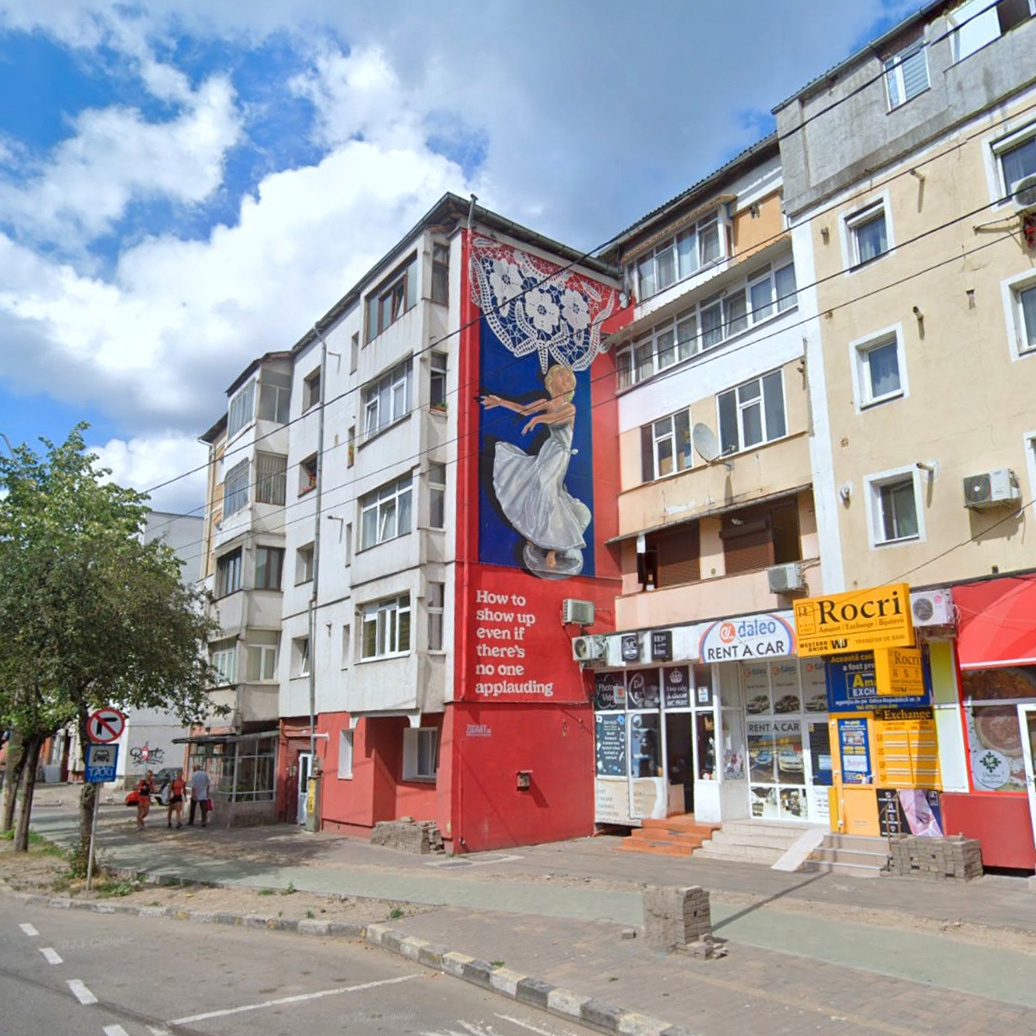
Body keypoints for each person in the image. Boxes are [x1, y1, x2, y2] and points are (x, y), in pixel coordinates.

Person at [480, 364, 590, 578]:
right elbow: (525, 409)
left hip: (560, 453)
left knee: (546, 488)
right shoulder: (547, 403)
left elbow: (556, 418)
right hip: (548, 450)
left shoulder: (570, 407)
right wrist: (500, 402)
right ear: (552, 380)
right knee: (535, 486)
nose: (566, 380)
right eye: (562, 376)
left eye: (569, 378)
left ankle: (553, 548)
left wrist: (538, 419)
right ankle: (537, 534)